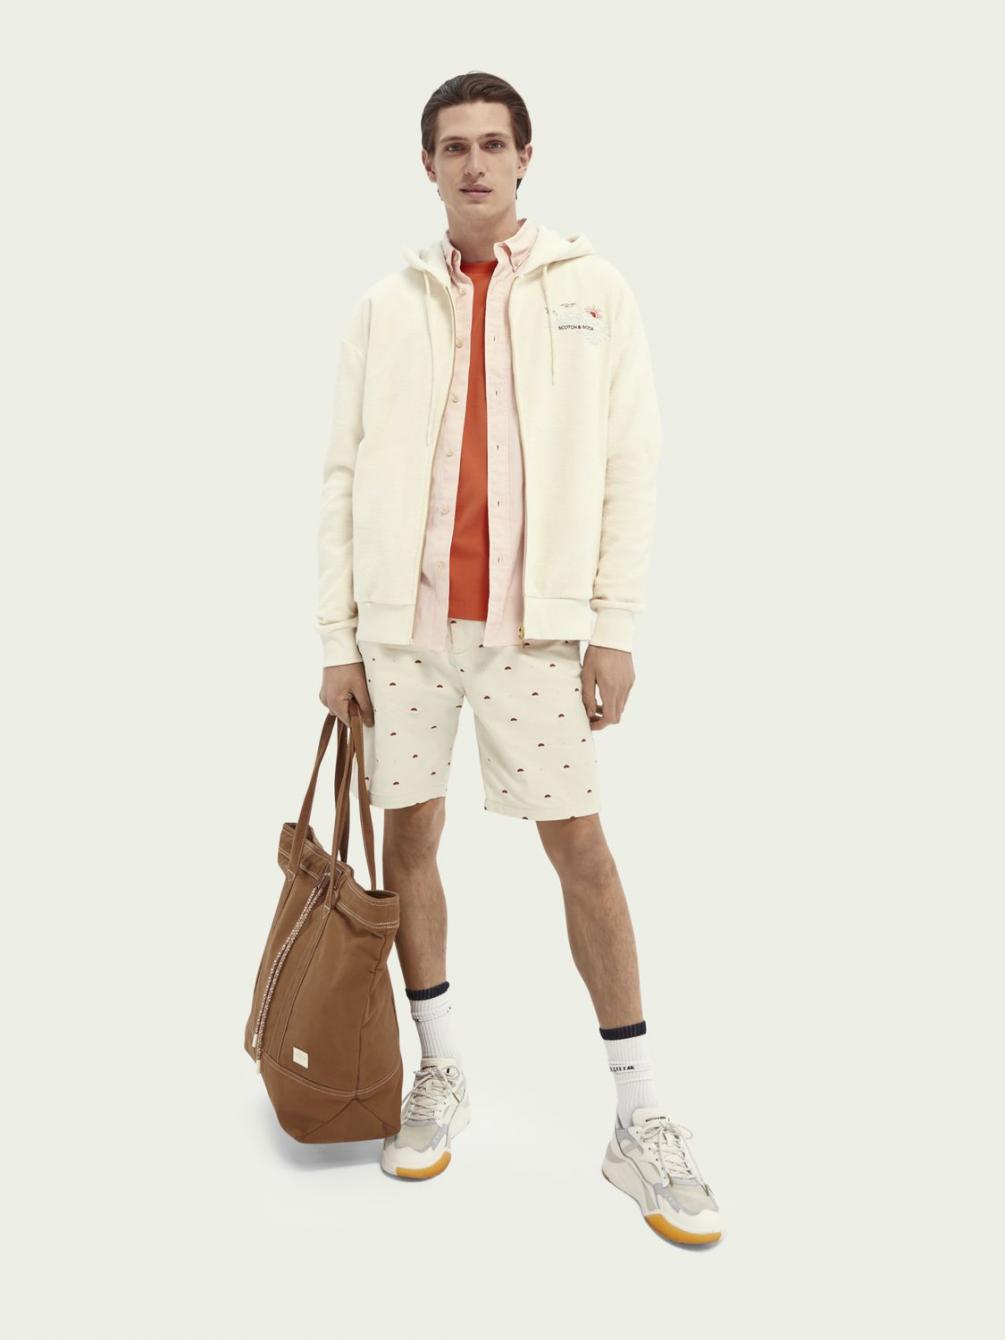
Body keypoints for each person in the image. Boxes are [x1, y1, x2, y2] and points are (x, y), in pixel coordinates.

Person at [316, 70, 724, 1245]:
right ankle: (438, 1065)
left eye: (494, 144)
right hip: (404, 631)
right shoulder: (386, 305)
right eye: (454, 147)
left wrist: (613, 625)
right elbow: (341, 474)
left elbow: (632, 461)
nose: (475, 163)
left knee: (581, 850)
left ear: (526, 157)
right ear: (428, 166)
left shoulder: (592, 290)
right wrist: (339, 638)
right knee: (408, 842)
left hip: (535, 631)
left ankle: (639, 1113)